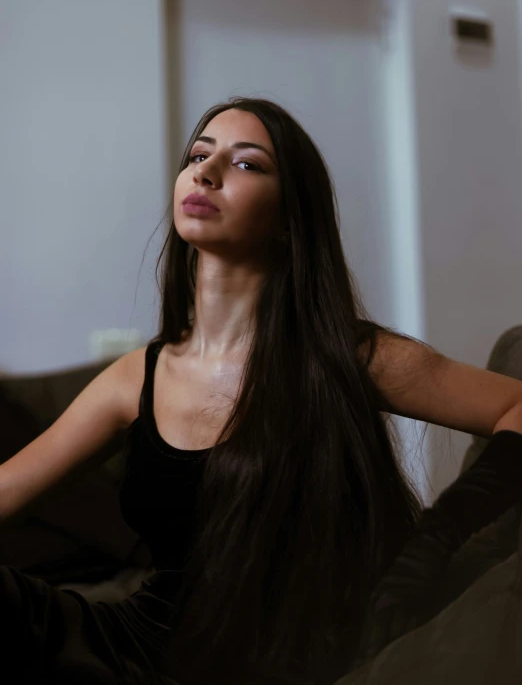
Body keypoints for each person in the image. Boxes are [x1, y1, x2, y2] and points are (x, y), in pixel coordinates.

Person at [1, 96, 522, 685]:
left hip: (278, 662)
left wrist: (438, 536)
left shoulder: (347, 357)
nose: (206, 171)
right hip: (133, 651)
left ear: (288, 219)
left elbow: (516, 403)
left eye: (247, 164)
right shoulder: (136, 376)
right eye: (198, 155)